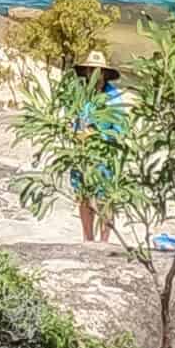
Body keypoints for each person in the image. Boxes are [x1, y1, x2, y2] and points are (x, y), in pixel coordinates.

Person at [68, 47, 126, 244]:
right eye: (90, 70)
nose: (93, 73)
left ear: (104, 73)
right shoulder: (80, 93)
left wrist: (99, 136)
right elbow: (73, 118)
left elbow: (119, 129)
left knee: (104, 199)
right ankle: (87, 238)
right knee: (83, 196)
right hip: (82, 153)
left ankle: (104, 241)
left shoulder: (113, 97)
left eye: (97, 70)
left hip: (103, 155)